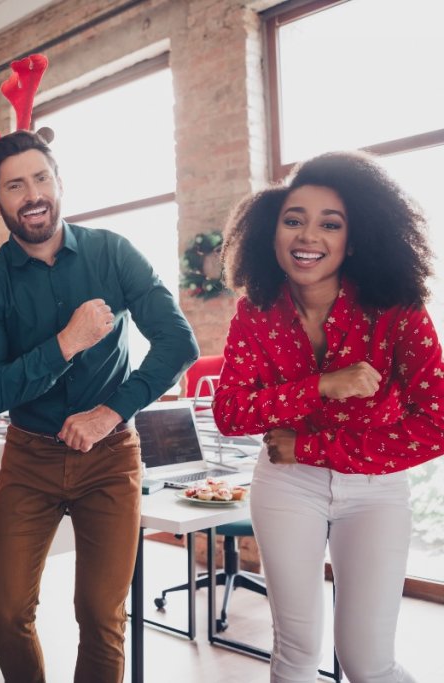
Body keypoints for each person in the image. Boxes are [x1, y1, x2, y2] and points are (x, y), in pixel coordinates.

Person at [0, 129, 199, 683]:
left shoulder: (111, 253)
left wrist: (110, 412)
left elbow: (178, 342)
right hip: (30, 460)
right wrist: (66, 343)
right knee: (8, 613)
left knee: (100, 615)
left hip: (111, 458)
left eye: (41, 178)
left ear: (59, 182)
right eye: (16, 186)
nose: (33, 194)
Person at [213, 151, 444, 683]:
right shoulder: (255, 313)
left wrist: (309, 446)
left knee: (368, 661)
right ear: (271, 235)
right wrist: (320, 386)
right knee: (295, 653)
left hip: (376, 489)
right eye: (293, 220)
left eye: (329, 224)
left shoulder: (397, 310)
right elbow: (230, 412)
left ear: (354, 240)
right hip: (288, 487)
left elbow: (435, 423)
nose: (307, 236)